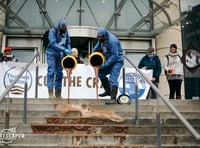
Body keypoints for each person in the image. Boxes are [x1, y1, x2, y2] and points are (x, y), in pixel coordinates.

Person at [92, 28, 124, 105]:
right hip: (109, 60)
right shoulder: (101, 39)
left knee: (113, 78)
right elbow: (95, 49)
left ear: (105, 35)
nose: (99, 39)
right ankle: (108, 90)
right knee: (101, 73)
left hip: (117, 61)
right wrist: (92, 56)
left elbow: (114, 56)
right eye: (98, 37)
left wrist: (104, 65)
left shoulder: (113, 41)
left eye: (101, 37)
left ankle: (113, 98)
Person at [46, 19, 72, 99]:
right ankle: (50, 93)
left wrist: (69, 50)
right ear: (59, 26)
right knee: (51, 71)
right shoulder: (52, 32)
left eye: (65, 27)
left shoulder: (66, 33)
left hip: (60, 55)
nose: (63, 29)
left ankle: (58, 94)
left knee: (59, 73)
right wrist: (64, 49)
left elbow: (68, 43)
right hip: (51, 53)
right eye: (62, 27)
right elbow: (53, 44)